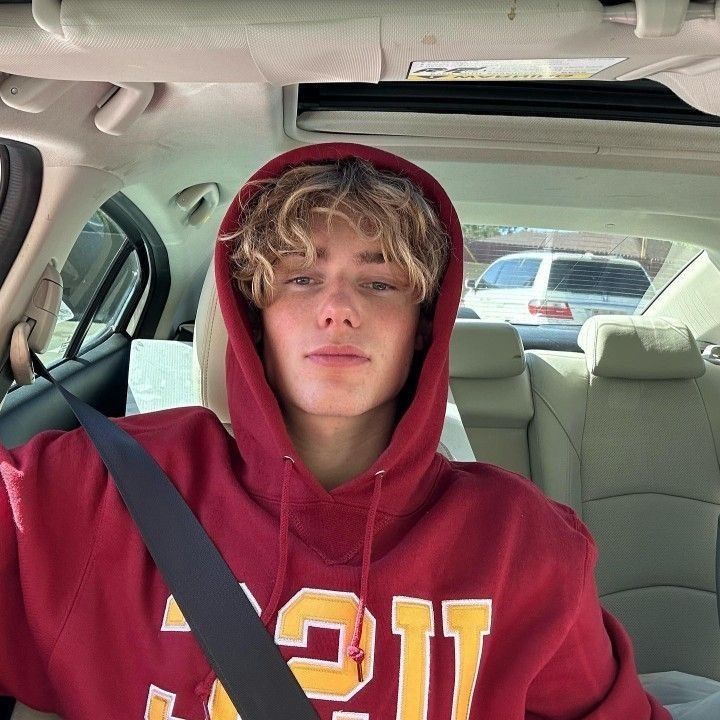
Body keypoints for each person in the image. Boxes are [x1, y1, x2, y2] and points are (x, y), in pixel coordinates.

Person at [0, 142, 671, 719]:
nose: (338, 310)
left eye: (379, 282)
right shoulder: (100, 487)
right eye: (300, 277)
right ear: (255, 324)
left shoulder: (523, 545)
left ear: (423, 330)